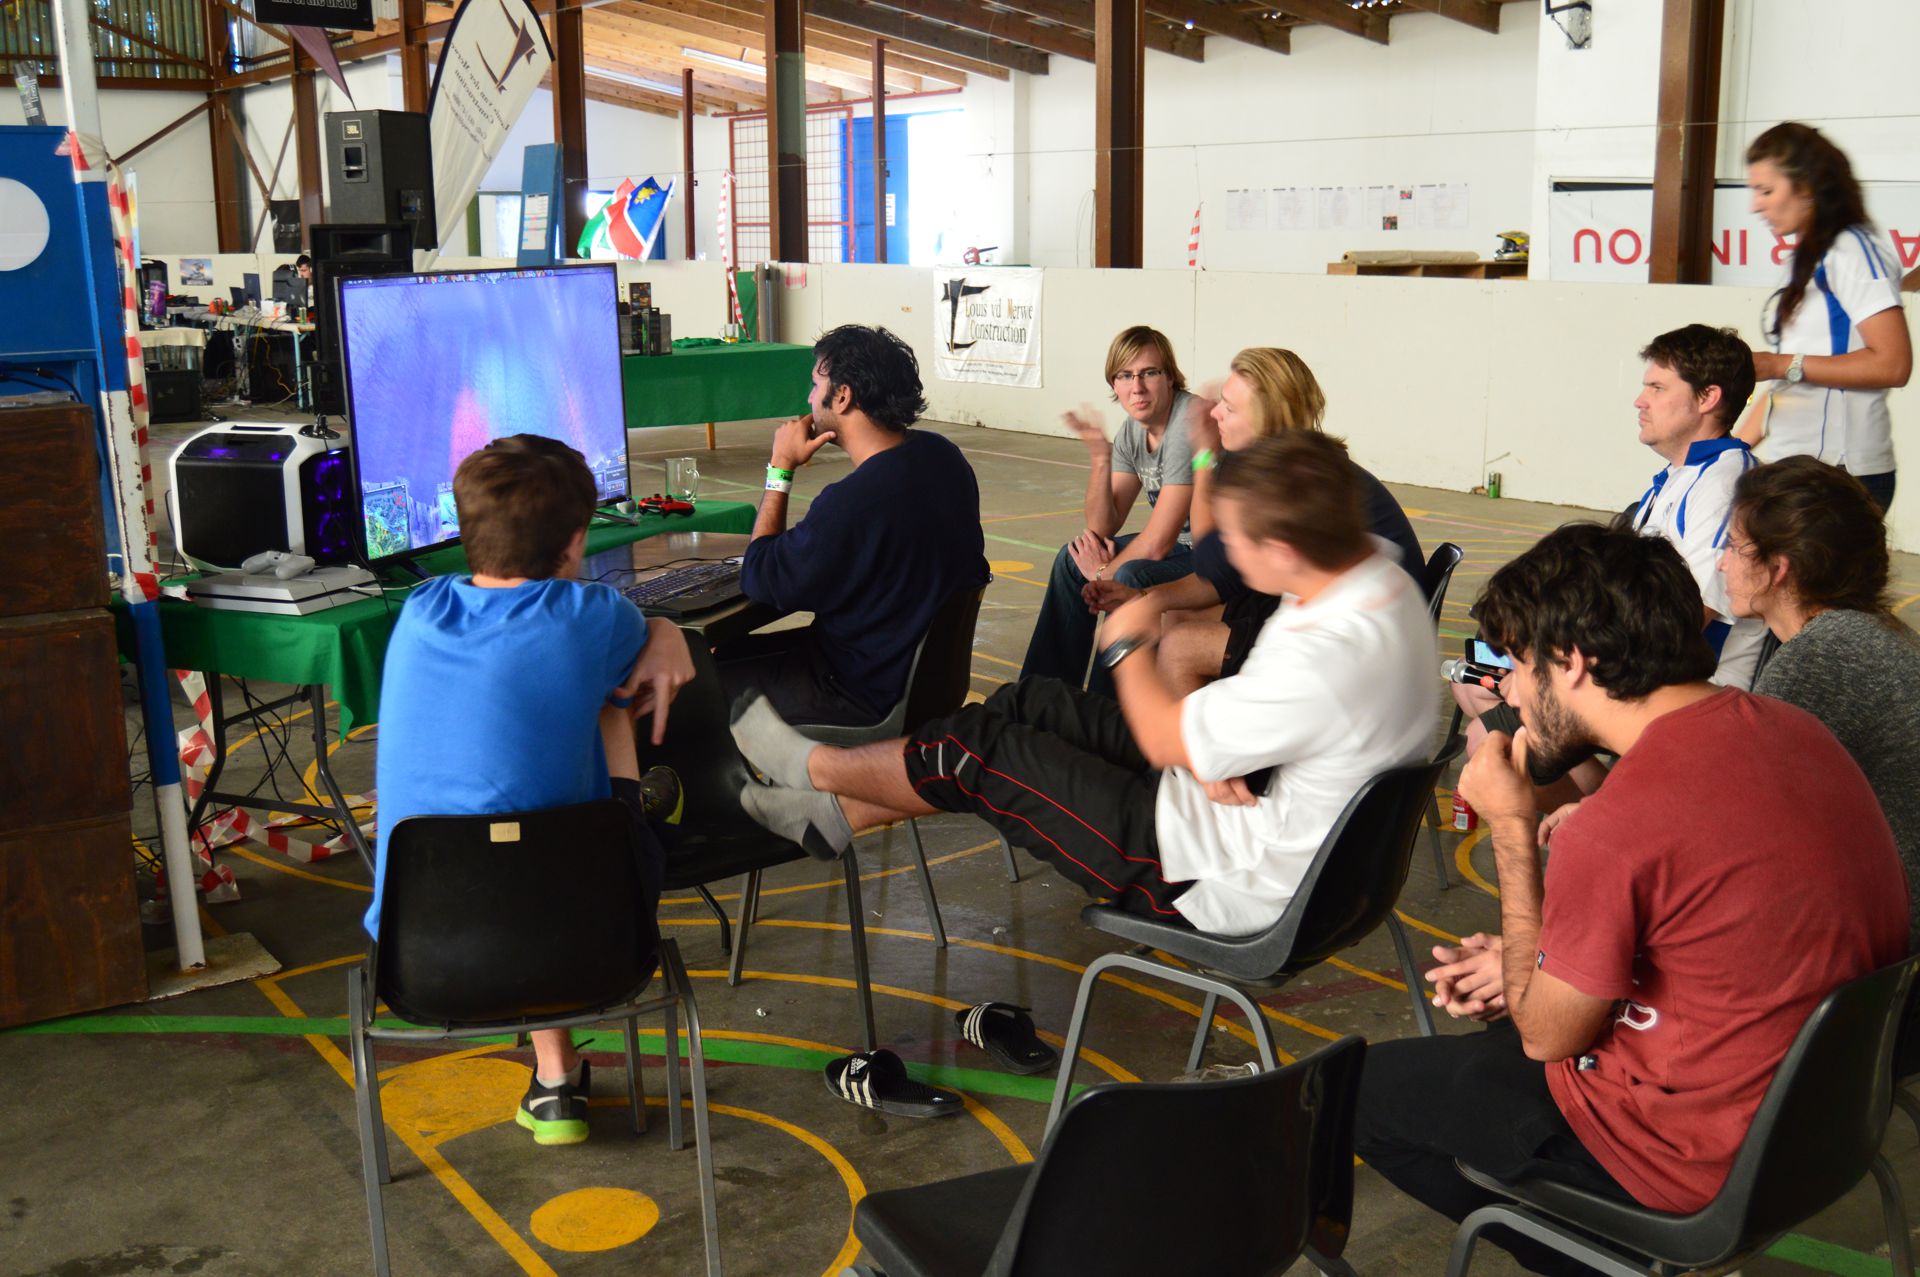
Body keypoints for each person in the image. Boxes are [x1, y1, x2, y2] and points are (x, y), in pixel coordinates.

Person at [1355, 523, 1907, 1277]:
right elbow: (1716, 931)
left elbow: (1546, 1034)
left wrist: (1512, 828)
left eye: (1518, 665)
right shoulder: (1792, 729)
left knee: (1360, 1094)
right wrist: (1535, 959)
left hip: (1688, 1161)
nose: (1507, 690)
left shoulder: (1618, 823)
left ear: (1572, 661)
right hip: (1827, 1128)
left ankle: (1604, 1259)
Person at [729, 431, 1437, 939]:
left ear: (1281, 549)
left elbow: (1164, 735)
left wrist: (1127, 642)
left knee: (968, 753)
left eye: (1235, 540)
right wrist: (1219, 751)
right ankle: (836, 816)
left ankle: (817, 768)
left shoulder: (1328, 657)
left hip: (1212, 877)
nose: (1224, 551)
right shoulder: (1371, 571)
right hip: (1243, 814)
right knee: (1026, 703)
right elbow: (1233, 732)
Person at [369, 434, 696, 1146]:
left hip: (421, 959)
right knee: (608, 701)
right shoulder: (594, 616)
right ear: (575, 543)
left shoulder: (419, 612)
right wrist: (666, 626)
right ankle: (643, 810)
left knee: (505, 814)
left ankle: (555, 1077)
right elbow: (635, 648)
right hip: (593, 946)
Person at [1454, 324, 1769, 794]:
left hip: (1676, 689)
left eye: (1657, 388)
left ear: (1708, 398)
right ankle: (1604, 801)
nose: (1640, 401)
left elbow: (1688, 620)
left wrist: (1561, 673)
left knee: (1488, 740)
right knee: (1473, 684)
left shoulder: (1723, 485)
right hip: (1641, 671)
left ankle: (1607, 808)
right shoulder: (1684, 474)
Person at [1083, 347, 1423, 696]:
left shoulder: (1286, 479)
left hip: (1366, 639)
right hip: (1342, 608)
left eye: (1229, 408)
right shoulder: (1292, 457)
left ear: (1266, 419)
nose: (1214, 412)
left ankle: (1170, 730)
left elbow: (1211, 563)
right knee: (1172, 616)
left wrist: (1203, 456)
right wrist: (1146, 598)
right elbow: (1223, 573)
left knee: (1181, 645)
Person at [717, 325, 987, 726]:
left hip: (860, 691)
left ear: (842, 396)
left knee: (698, 683)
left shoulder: (854, 502)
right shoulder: (943, 456)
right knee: (731, 655)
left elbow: (761, 578)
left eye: (815, 385)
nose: (809, 399)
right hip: (921, 680)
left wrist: (780, 468)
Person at [1719, 455, 1920, 944]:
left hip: (1883, 940)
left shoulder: (1823, 657)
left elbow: (1733, 816)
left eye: (1733, 546)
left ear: (1778, 568)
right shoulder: (1871, 634)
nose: (1721, 562)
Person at [1019, 326, 1212, 684]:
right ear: (1114, 384)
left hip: (1214, 556)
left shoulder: (1187, 423)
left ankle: (1103, 706)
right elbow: (1102, 526)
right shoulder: (1133, 429)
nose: (1137, 387)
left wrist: (1102, 574)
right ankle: (1041, 694)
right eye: (1125, 375)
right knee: (1070, 559)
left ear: (1170, 377)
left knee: (1128, 576)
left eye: (1149, 373)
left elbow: (1158, 543)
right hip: (1183, 549)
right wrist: (1100, 458)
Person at [1740, 123, 1911, 513]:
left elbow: (1893, 363)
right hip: (1797, 466)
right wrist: (1731, 449)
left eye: (1766, 191)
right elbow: (1791, 379)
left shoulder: (1853, 252)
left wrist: (1778, 363)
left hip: (1839, 474)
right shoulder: (1806, 258)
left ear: (1806, 188)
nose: (1755, 206)